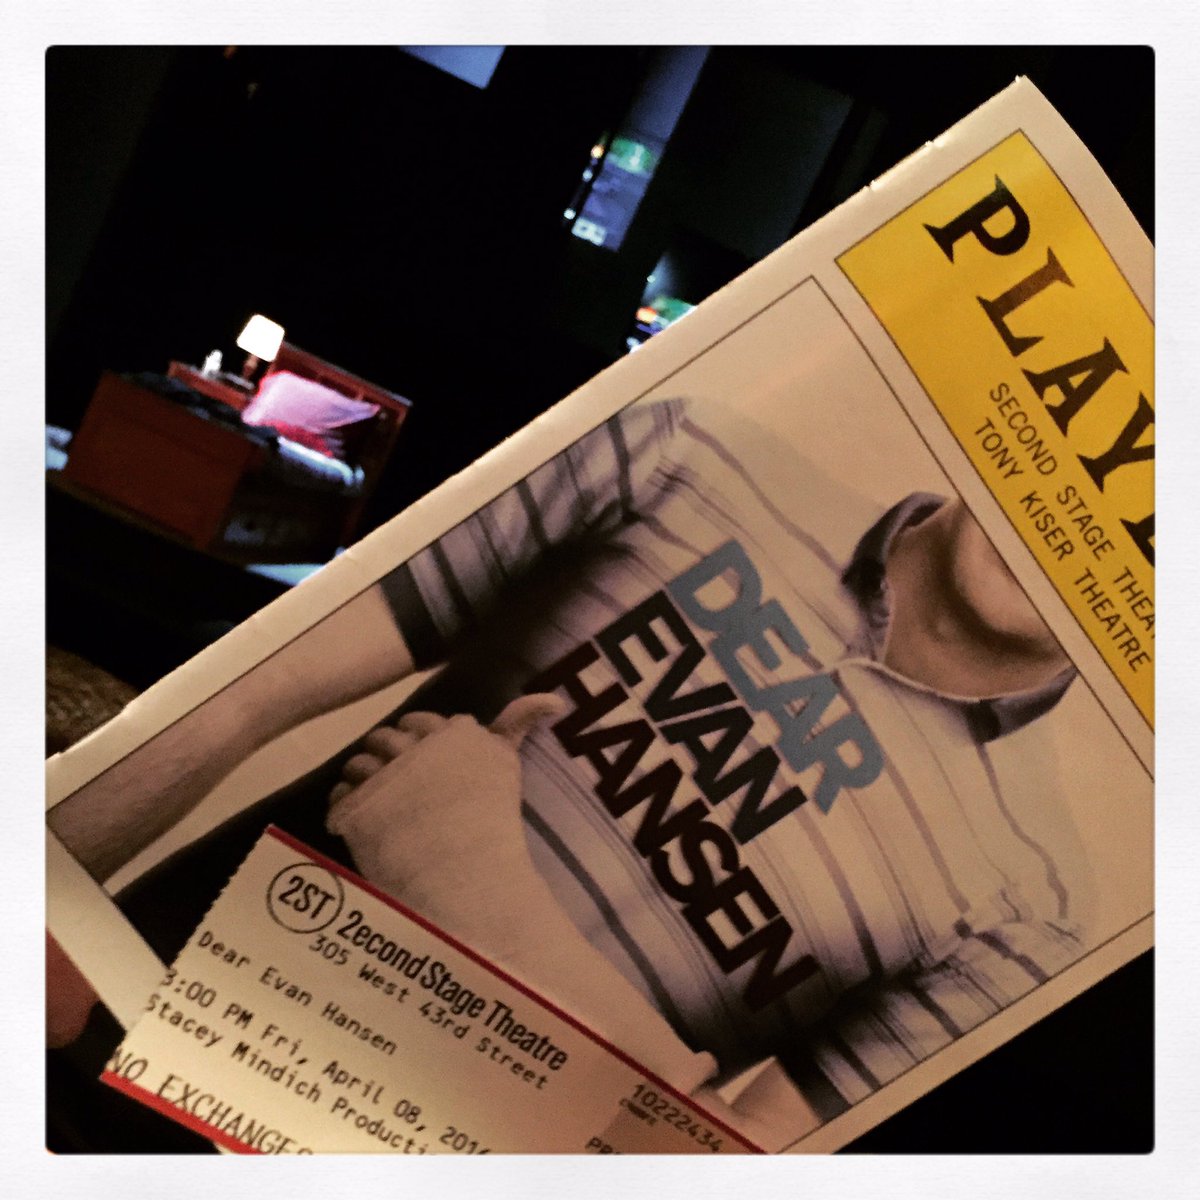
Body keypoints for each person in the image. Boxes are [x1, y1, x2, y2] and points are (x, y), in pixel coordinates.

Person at [48, 396, 1092, 1141]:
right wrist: (39, 899)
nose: (1069, 520)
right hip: (141, 1016)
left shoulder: (1029, 903)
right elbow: (251, 690)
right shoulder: (684, 453)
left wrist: (467, 869)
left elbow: (708, 1170)